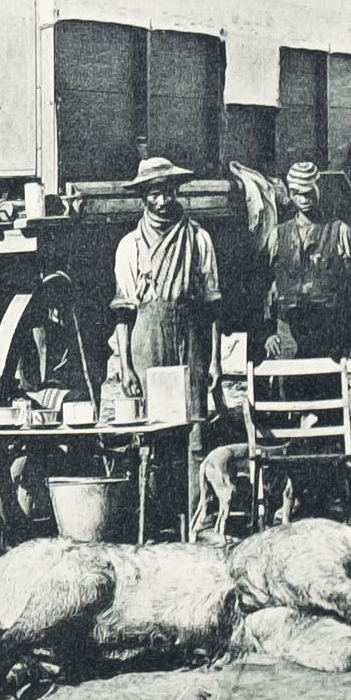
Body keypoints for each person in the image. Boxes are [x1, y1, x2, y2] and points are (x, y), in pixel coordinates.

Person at [110, 155, 223, 544]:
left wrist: (215, 360)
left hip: (189, 340)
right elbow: (123, 312)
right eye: (154, 193)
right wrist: (125, 365)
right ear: (142, 196)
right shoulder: (129, 246)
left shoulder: (197, 238)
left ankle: (197, 525)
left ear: (177, 192)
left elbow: (212, 306)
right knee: (150, 436)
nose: (162, 200)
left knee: (194, 434)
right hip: (147, 341)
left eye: (168, 191)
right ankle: (152, 526)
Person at [263, 165, 351, 363]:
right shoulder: (278, 234)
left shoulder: (340, 231)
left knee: (327, 381)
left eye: (309, 192)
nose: (303, 199)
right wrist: (267, 332)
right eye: (297, 193)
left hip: (329, 331)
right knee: (290, 381)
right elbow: (268, 285)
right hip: (287, 332)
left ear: (318, 189)